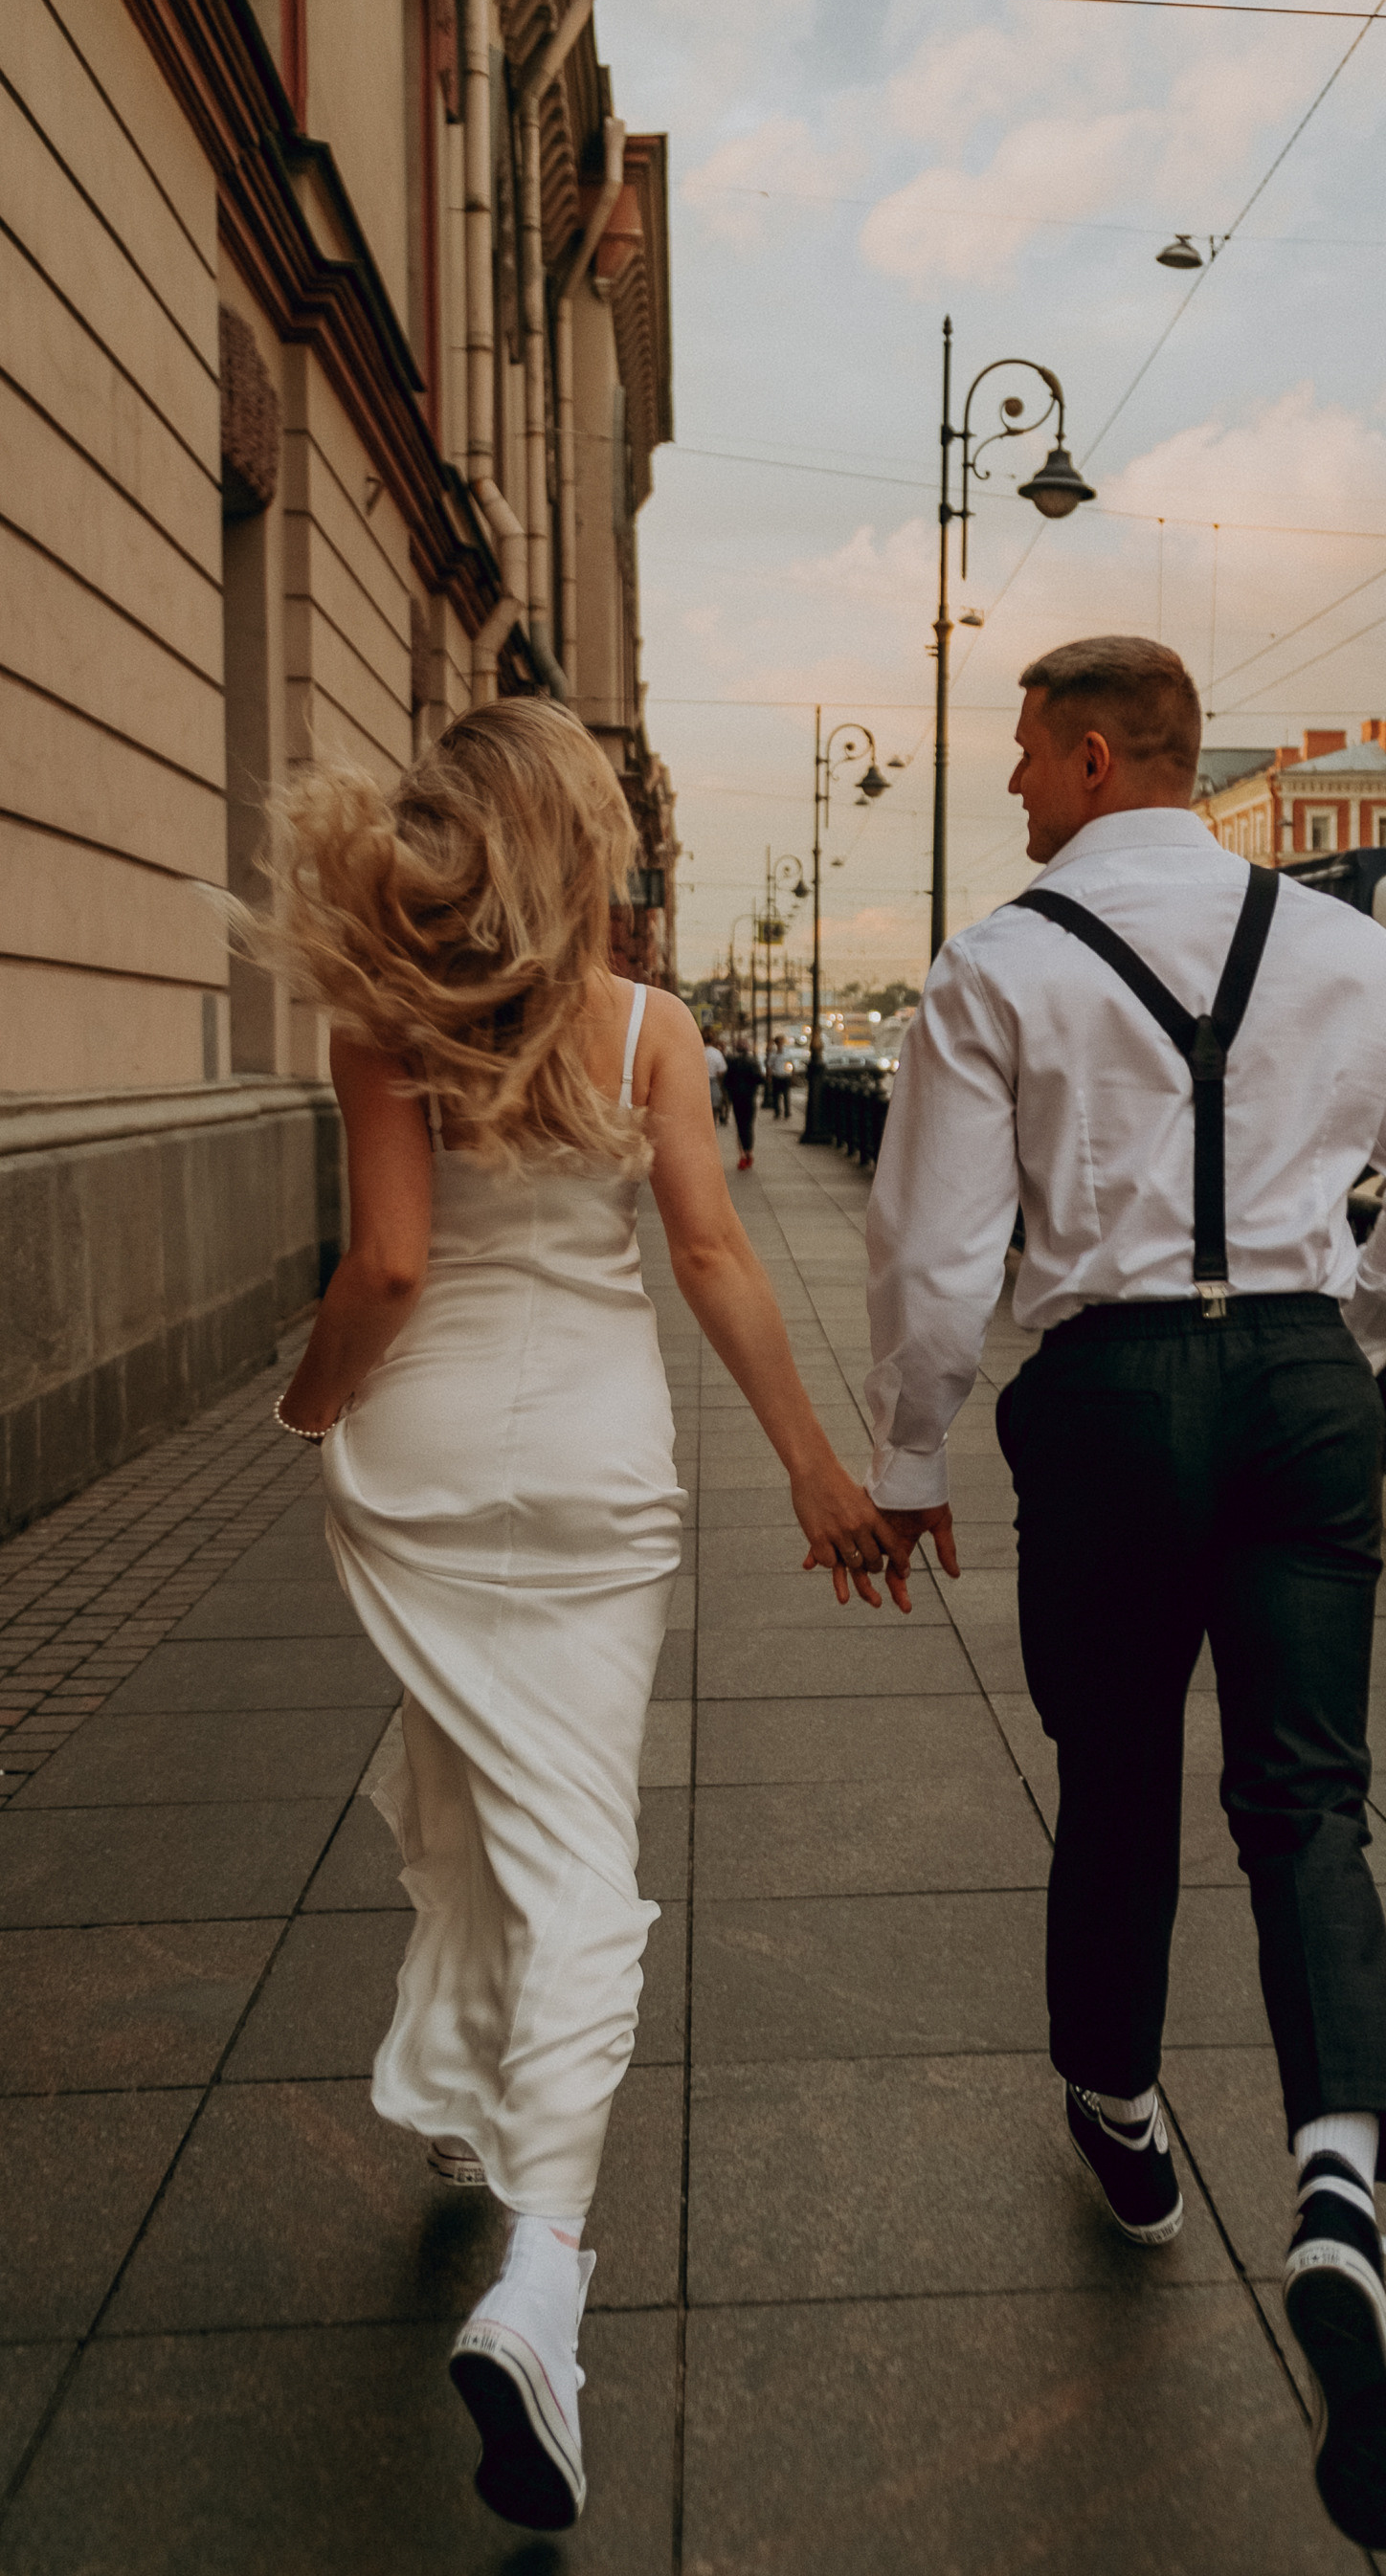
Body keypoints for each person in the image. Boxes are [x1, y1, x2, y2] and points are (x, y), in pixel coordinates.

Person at [861, 637, 1386, 2557]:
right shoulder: (1349, 950)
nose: (1015, 795)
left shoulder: (1001, 964)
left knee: (1118, 1777)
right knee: (1307, 1793)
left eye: (1029, 760)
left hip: (1108, 1399)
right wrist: (1334, 1352)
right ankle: (1327, 2181)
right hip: (1299, 1379)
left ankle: (1123, 2116)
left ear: (1093, 748)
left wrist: (904, 1464)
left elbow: (936, 1257)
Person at [263, 701, 906, 2533]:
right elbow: (708, 1253)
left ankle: (530, 2247)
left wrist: (309, 1403)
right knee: (565, 1833)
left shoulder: (382, 1022)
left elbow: (386, 1267)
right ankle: (529, 2225)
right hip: (600, 1469)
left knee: (480, 1788)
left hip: (425, 1452)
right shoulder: (651, 1031)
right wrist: (808, 1465)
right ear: (583, 840)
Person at [724, 1035, 764, 1168]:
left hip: (737, 1098)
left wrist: (730, 1094)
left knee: (740, 1126)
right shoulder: (753, 1061)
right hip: (749, 1097)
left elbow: (727, 1081)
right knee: (749, 1125)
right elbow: (759, 1079)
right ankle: (749, 1152)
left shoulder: (732, 1062)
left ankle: (742, 1155)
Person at [703, 1029, 727, 1124]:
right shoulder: (717, 1053)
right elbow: (722, 1070)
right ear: (712, 1040)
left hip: (699, 1083)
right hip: (714, 1082)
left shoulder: (697, 1051)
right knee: (714, 1106)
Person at [768, 1033, 795, 1118]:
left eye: (781, 1042)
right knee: (776, 1096)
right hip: (776, 1076)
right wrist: (769, 1076)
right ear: (776, 1043)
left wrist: (793, 1075)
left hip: (785, 1076)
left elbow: (792, 1064)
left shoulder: (787, 1052)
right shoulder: (773, 1053)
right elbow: (769, 1065)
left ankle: (787, 1112)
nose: (780, 1044)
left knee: (786, 1095)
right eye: (778, 1042)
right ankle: (777, 1112)